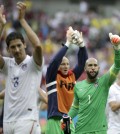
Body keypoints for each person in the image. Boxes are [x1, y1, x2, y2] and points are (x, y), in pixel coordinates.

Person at [0, 2, 44, 134]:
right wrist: (2, 26)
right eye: (13, 47)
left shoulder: (34, 63)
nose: (17, 49)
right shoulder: (8, 65)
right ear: (8, 49)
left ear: (24, 44)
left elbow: (37, 46)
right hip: (8, 121)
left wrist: (22, 20)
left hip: (27, 120)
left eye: (19, 45)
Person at [66, 33, 120, 134]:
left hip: (99, 131)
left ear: (98, 68)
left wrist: (117, 49)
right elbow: (76, 107)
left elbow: (117, 66)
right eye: (90, 65)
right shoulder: (78, 86)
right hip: (81, 130)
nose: (93, 67)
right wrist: (67, 117)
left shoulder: (104, 82)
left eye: (95, 65)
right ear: (85, 69)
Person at [45, 26, 88, 134]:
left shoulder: (71, 76)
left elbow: (83, 64)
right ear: (58, 66)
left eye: (67, 64)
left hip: (68, 119)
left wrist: (82, 46)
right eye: (62, 64)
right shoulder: (52, 76)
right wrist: (68, 43)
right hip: (55, 119)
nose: (65, 66)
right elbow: (54, 61)